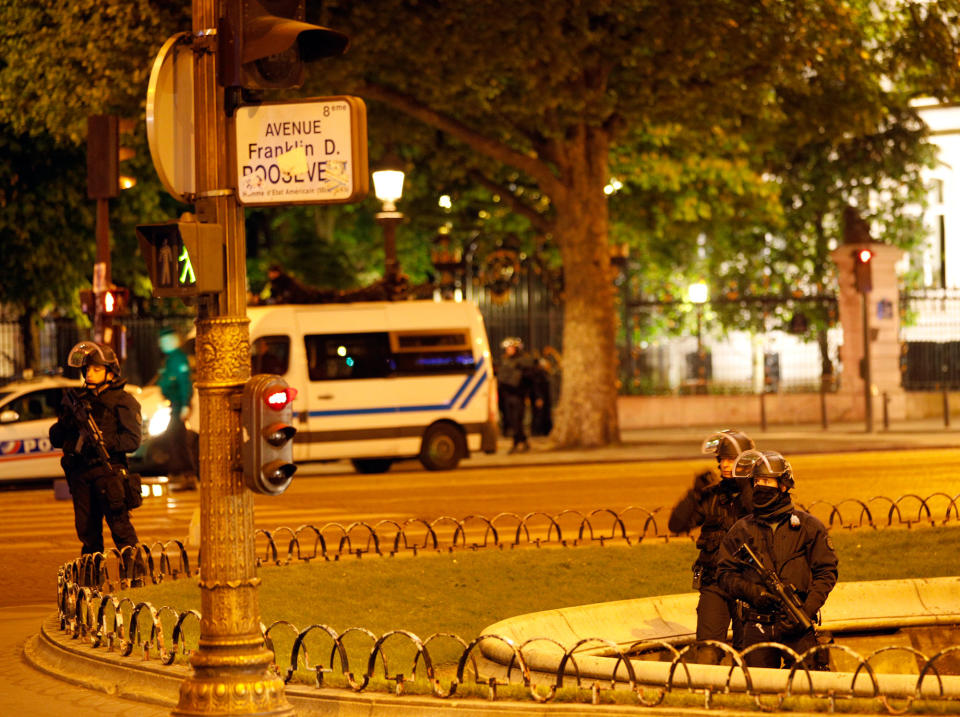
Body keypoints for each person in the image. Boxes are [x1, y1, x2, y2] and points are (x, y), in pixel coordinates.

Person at [716, 449, 838, 669]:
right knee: (760, 689)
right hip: (756, 624)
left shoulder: (809, 527)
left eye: (768, 481)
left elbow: (826, 572)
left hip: (798, 623)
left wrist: (806, 610)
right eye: (757, 481)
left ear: (783, 485)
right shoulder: (741, 530)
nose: (761, 487)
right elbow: (724, 574)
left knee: (808, 684)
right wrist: (753, 593)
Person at [668, 429, 755, 663]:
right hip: (714, 582)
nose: (726, 465)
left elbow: (761, 518)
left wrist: (745, 485)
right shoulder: (711, 496)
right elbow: (676, 525)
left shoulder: (760, 493)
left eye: (732, 460)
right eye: (723, 460)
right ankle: (707, 695)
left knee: (748, 653)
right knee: (707, 651)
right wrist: (693, 494)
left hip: (749, 585)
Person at [49, 341, 141, 557]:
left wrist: (104, 441)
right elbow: (56, 438)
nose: (90, 373)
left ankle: (135, 578)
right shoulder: (77, 401)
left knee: (121, 531)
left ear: (110, 373)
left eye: (96, 369)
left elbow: (133, 440)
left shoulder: (124, 401)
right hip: (81, 475)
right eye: (87, 369)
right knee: (87, 533)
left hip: (109, 474)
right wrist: (65, 423)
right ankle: (91, 583)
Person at [157, 327, 197, 486]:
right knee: (175, 439)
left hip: (179, 404)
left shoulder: (178, 359)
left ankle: (184, 474)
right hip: (175, 404)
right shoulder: (171, 359)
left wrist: (185, 405)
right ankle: (183, 473)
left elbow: (184, 383)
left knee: (177, 439)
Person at [497, 337, 531, 453]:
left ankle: (516, 444)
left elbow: (524, 380)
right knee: (512, 421)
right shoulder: (506, 361)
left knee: (517, 421)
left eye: (510, 348)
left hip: (518, 396)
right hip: (507, 396)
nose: (508, 350)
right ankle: (524, 442)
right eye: (507, 348)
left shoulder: (522, 361)